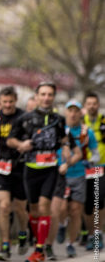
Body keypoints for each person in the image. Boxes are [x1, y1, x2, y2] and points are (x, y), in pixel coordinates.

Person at [7, 82, 75, 262]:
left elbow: (65, 138)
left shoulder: (58, 119)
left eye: (50, 95)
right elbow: (10, 140)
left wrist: (66, 147)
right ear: (36, 97)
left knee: (45, 207)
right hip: (30, 170)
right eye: (43, 94)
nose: (46, 98)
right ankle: (39, 242)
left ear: (53, 97)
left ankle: (39, 250)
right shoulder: (25, 118)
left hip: (50, 170)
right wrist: (21, 145)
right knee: (34, 210)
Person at [46, 100, 97, 259]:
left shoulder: (86, 132)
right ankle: (61, 225)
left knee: (75, 211)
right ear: (66, 112)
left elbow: (95, 153)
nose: (73, 114)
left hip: (79, 174)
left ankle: (70, 244)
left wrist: (90, 161)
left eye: (76, 111)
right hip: (60, 174)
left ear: (81, 113)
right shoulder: (60, 130)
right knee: (60, 208)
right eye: (70, 111)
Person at [0, 86, 28, 260]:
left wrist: (22, 145)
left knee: (20, 208)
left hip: (19, 166)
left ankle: (22, 233)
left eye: (10, 102)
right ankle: (4, 245)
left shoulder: (23, 117)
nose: (7, 105)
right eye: (4, 102)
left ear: (15, 100)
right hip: (1, 166)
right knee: (4, 206)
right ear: (0, 101)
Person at [83, 92, 105, 251]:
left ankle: (98, 233)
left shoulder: (103, 121)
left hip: (101, 166)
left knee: (100, 200)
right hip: (83, 167)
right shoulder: (80, 122)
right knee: (87, 204)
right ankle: (90, 235)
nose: (92, 106)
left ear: (98, 105)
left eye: (94, 103)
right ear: (85, 106)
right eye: (89, 103)